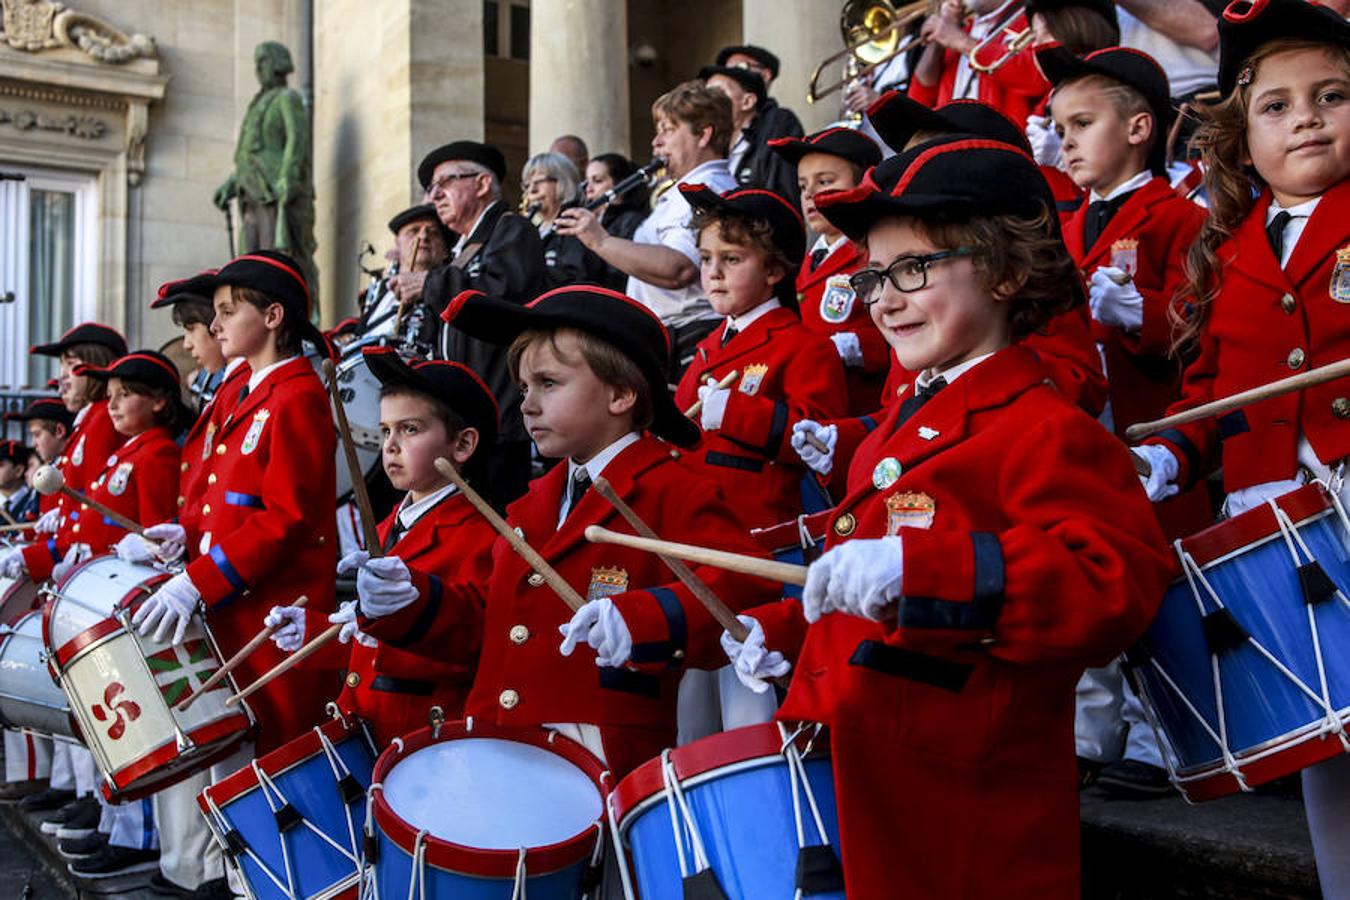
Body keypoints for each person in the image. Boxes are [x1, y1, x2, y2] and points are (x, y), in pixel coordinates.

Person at [722, 134, 1174, 897]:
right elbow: (881, 605)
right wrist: (789, 628)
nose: (884, 299)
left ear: (1006, 271)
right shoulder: (899, 427)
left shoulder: (1043, 425)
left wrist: (919, 569)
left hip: (969, 817)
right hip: (873, 784)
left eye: (913, 269)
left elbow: (1112, 581)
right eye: (874, 276)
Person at [357, 284, 780, 780]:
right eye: (523, 389)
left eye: (548, 384)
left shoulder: (673, 489)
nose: (527, 406)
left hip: (605, 764)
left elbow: (749, 587)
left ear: (620, 394)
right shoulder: (532, 504)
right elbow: (489, 626)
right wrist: (410, 601)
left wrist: (641, 618)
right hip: (500, 749)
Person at [1134, 1, 1350, 893]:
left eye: (1333, 96)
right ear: (1241, 135)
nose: (1306, 118)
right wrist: (1167, 456)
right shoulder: (1226, 254)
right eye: (1277, 104)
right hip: (1277, 521)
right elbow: (1209, 397)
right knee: (1328, 750)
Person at [127, 251, 341, 899]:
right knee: (229, 759)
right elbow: (220, 492)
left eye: (227, 312)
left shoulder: (297, 393)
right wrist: (186, 536)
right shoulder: (244, 388)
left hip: (270, 614)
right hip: (231, 605)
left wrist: (201, 578)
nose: (215, 325)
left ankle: (266, 886)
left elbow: (285, 516)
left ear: (273, 316)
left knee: (271, 764)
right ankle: (228, 879)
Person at [265, 347, 500, 748]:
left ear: (462, 445)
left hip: (425, 744)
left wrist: (404, 612)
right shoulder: (390, 524)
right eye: (386, 430)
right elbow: (370, 643)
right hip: (367, 729)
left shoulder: (483, 536)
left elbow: (470, 645)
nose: (390, 445)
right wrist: (317, 630)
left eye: (410, 429)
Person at [673, 185, 847, 531]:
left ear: (773, 270)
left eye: (731, 259)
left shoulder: (806, 347)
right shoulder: (708, 345)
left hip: (758, 536)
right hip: (692, 525)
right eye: (706, 258)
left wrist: (737, 412)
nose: (713, 272)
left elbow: (823, 445)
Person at [554, 82, 737, 378]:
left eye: (668, 130)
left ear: (704, 134)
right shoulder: (686, 190)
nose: (656, 142)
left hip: (690, 337)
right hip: (674, 337)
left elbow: (678, 268)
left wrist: (600, 241)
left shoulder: (704, 189)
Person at [414, 140, 547, 507]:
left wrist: (429, 284)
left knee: (498, 512)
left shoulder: (511, 229)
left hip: (500, 417)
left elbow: (501, 293)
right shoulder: (464, 248)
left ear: (482, 183)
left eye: (445, 182)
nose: (434, 195)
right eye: (431, 187)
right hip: (467, 417)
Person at [769, 127, 890, 415]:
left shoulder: (873, 254)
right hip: (815, 400)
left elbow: (892, 338)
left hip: (858, 404)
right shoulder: (810, 257)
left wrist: (849, 346)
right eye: (802, 186)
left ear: (863, 185)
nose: (809, 194)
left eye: (824, 182)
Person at [213, 40, 318, 298]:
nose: (258, 68)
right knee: (249, 264)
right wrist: (232, 183)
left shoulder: (287, 98)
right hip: (251, 194)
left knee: (278, 261)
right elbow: (250, 154)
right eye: (257, 63)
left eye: (263, 61)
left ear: (278, 64)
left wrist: (288, 177)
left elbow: (297, 140)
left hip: (275, 194)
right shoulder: (257, 104)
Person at [701, 63, 803, 202]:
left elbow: (784, 191)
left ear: (747, 102)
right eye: (706, 95)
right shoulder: (714, 144)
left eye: (717, 92)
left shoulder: (777, 123)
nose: (707, 102)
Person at [367, 203, 452, 353]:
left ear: (445, 250)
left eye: (434, 233)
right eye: (413, 231)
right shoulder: (380, 291)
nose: (423, 236)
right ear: (397, 243)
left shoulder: (449, 290)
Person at [522, 152, 610, 289]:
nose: (532, 190)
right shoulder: (535, 230)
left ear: (562, 182)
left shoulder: (577, 224)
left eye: (539, 181)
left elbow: (575, 278)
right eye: (527, 185)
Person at [584, 153, 650, 242]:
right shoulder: (588, 216)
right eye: (587, 182)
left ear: (620, 184)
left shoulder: (631, 221)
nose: (588, 189)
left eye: (597, 181)